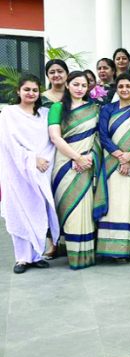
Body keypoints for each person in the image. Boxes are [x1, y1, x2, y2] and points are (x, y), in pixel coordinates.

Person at [0, 75, 59, 273]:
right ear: (18, 91)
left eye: (35, 90)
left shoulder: (44, 114)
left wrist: (42, 162)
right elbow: (9, 143)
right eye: (27, 89)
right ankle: (22, 259)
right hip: (17, 173)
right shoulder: (9, 113)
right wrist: (32, 159)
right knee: (19, 211)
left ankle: (36, 255)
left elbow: (50, 141)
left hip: (41, 172)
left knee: (38, 211)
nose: (31, 93)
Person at [48, 71, 104, 270]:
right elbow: (55, 137)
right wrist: (76, 157)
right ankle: (71, 253)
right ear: (68, 85)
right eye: (76, 84)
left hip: (87, 163)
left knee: (84, 208)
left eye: (83, 85)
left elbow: (98, 137)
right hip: (65, 163)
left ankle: (86, 255)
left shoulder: (94, 108)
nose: (80, 88)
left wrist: (89, 157)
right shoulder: (57, 107)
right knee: (68, 206)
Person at [96, 73, 130, 262]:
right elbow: (103, 136)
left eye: (128, 86)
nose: (124, 89)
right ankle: (113, 248)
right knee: (116, 204)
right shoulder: (107, 109)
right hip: (112, 161)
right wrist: (120, 156)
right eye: (121, 86)